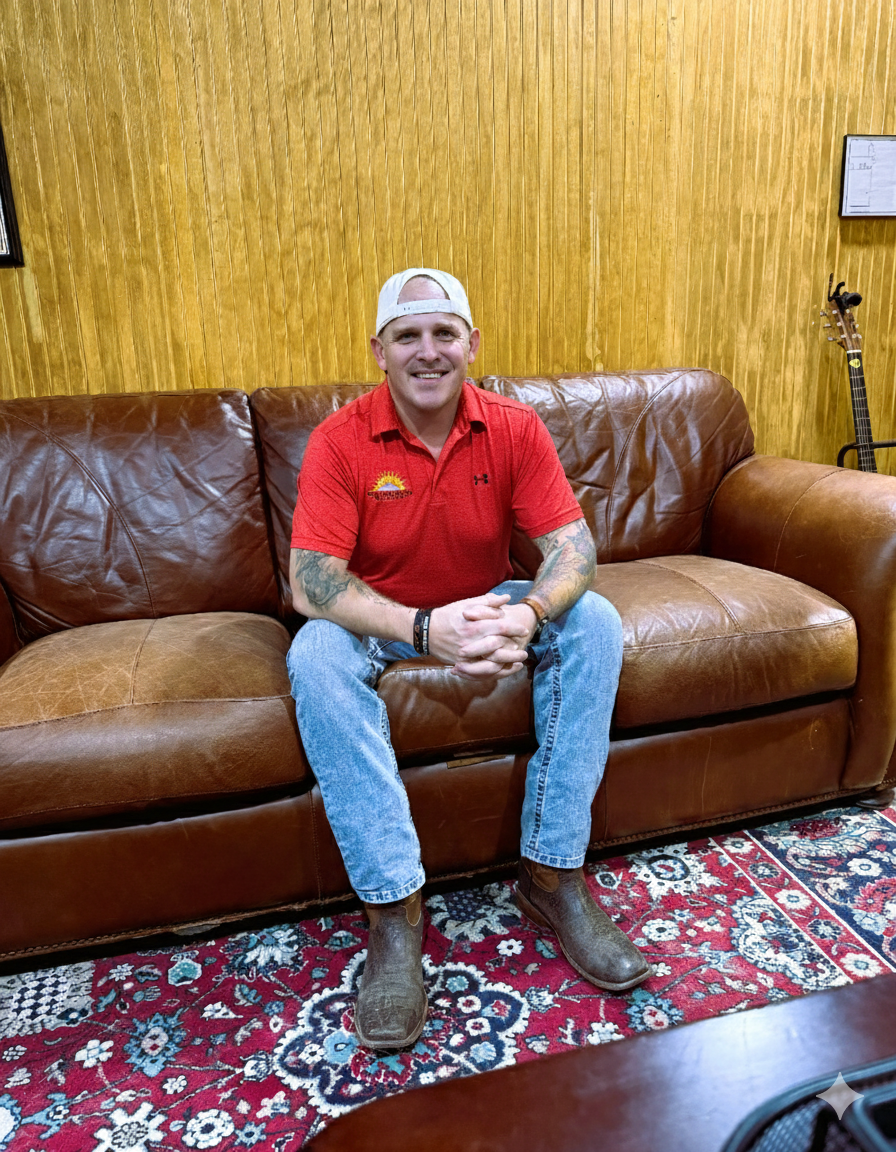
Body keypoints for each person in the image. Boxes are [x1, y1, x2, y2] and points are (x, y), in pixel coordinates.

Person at [286, 268, 650, 1051]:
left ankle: (552, 877)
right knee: (315, 656)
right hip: (381, 615)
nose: (428, 351)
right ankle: (394, 915)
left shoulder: (514, 427)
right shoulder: (340, 439)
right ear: (378, 351)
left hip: (487, 598)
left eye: (443, 332)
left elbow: (572, 549)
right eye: (407, 336)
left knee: (594, 621)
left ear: (471, 344)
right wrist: (424, 631)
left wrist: (527, 612)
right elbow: (312, 584)